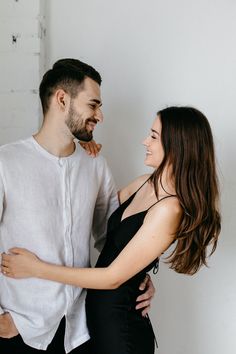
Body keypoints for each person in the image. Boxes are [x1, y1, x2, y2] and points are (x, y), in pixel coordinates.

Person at [1, 106, 221, 354]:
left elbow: (112, 277)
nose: (144, 141)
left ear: (178, 145)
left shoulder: (170, 209)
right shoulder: (144, 183)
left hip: (121, 327)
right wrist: (80, 155)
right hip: (95, 323)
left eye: (153, 136)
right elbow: (89, 210)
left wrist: (36, 269)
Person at [0, 58, 155, 354]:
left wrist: (139, 278)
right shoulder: (6, 162)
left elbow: (110, 238)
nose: (100, 115)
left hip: (80, 332)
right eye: (93, 105)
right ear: (62, 99)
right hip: (20, 330)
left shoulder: (95, 166)